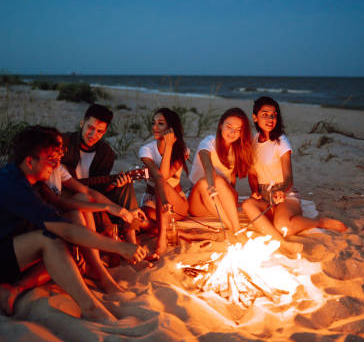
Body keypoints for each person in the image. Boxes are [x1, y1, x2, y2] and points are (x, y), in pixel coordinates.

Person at [0, 126, 147, 322]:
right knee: (51, 241)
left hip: (0, 248)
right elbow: (65, 230)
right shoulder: (12, 187)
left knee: (66, 240)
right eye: (51, 160)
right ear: (29, 161)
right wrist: (120, 247)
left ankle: (13, 287)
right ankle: (91, 308)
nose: (55, 164)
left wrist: (108, 209)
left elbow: (62, 206)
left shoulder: (30, 180)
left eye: (58, 157)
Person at [242, 96, 347, 241]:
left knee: (282, 226)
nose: (270, 119)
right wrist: (255, 191)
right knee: (247, 205)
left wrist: (281, 191)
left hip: (285, 195)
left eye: (273, 115)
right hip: (265, 198)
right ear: (255, 117)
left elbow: (289, 178)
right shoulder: (254, 140)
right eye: (265, 115)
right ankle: (277, 223)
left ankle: (320, 222)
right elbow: (252, 173)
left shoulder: (281, 141)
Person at [62, 104, 142, 245]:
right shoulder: (64, 142)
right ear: (82, 123)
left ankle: (132, 242)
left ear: (104, 132)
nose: (93, 135)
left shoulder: (105, 153)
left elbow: (99, 190)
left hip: (92, 194)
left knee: (126, 184)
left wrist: (113, 185)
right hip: (67, 196)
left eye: (99, 131)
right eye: (90, 128)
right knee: (85, 196)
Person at [188, 107, 252, 237]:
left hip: (223, 199)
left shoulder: (237, 149)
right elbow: (208, 167)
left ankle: (234, 227)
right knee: (204, 183)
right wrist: (211, 186)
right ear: (220, 125)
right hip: (201, 201)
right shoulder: (208, 142)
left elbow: (232, 181)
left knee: (219, 181)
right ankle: (233, 227)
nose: (232, 133)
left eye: (237, 130)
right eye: (229, 127)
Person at [138, 108, 190, 259]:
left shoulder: (182, 150)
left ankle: (161, 241)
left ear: (170, 128)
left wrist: (169, 147)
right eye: (153, 123)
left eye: (160, 124)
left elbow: (164, 177)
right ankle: (171, 231)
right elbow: (158, 176)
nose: (154, 127)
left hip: (175, 202)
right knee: (139, 220)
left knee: (163, 186)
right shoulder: (146, 150)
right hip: (152, 202)